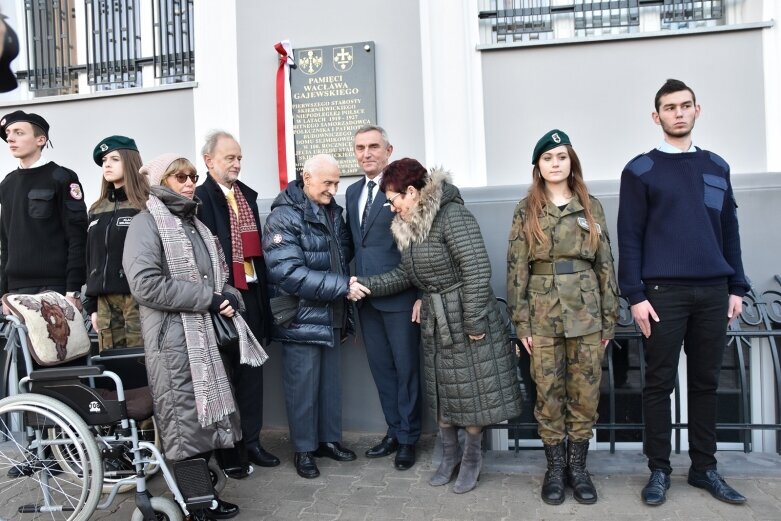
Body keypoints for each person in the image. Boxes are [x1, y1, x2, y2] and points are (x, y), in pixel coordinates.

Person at [617, 79, 749, 506]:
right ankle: (658, 470)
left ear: (697, 110)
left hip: (713, 292)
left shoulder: (717, 166)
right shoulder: (640, 170)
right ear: (657, 117)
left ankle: (704, 468)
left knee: (706, 383)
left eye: (685, 105)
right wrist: (634, 294)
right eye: (669, 107)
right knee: (658, 384)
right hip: (661, 294)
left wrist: (737, 285)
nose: (678, 112)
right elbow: (630, 235)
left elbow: (729, 229)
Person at [357, 158, 522, 494]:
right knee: (444, 394)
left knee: (471, 394)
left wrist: (475, 321)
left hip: (466, 317)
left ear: (413, 192)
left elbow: (476, 269)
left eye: (393, 199)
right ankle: (450, 456)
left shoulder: (453, 216)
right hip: (436, 318)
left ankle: (472, 459)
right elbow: (408, 274)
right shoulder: (412, 225)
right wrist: (364, 284)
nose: (390, 207)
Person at [123, 153, 268, 520]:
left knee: (204, 421)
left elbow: (214, 279)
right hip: (172, 343)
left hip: (202, 339)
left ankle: (200, 493)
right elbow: (145, 285)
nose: (189, 182)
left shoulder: (194, 224)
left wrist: (229, 298)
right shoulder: (147, 224)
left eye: (192, 175)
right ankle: (197, 506)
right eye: (179, 177)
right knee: (185, 424)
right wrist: (209, 299)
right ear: (161, 182)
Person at [506, 129, 618, 505]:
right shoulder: (526, 209)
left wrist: (608, 317)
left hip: (586, 313)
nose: (555, 164)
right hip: (542, 314)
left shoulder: (591, 206)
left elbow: (605, 264)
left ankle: (579, 469)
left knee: (585, 393)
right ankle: (555, 470)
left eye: (562, 157)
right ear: (538, 167)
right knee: (548, 393)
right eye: (548, 158)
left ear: (572, 162)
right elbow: (516, 267)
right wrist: (520, 321)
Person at [262, 154, 366, 479]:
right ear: (307, 178)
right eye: (327, 183)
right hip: (301, 316)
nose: (333, 190)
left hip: (332, 310)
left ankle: (327, 441)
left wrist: (337, 287)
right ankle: (304, 450)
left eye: (336, 183)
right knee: (302, 388)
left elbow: (344, 250)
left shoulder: (333, 211)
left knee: (329, 385)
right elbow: (288, 272)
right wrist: (340, 285)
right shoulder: (283, 217)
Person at [196, 130, 280, 477]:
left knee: (252, 374)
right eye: (229, 157)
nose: (236, 163)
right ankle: (227, 448)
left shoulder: (245, 196)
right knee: (222, 376)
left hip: (252, 295)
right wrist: (217, 297)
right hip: (221, 299)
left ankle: (253, 441)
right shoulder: (199, 199)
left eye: (239, 157)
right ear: (209, 161)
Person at [345, 125, 421, 470]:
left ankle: (408, 438)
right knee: (382, 370)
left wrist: (421, 293)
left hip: (400, 295)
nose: (366, 153)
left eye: (374, 146)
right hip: (365, 298)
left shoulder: (404, 191)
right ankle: (393, 430)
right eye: (360, 147)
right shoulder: (351, 193)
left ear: (389, 149)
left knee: (406, 369)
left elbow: (420, 244)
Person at [0, 110, 87, 313]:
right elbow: (5, 241)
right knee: (20, 346)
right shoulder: (7, 184)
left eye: (19, 132)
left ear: (41, 139)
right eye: (8, 133)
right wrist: (3, 292)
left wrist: (73, 289)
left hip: (53, 288)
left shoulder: (62, 178)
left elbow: (77, 236)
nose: (10, 138)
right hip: (15, 290)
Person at [84, 135, 149, 350]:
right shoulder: (96, 208)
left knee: (140, 365)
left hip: (138, 298)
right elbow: (90, 258)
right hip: (104, 303)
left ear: (129, 162)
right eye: (104, 161)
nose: (107, 165)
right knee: (111, 369)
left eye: (114, 159)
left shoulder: (146, 204)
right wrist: (92, 306)